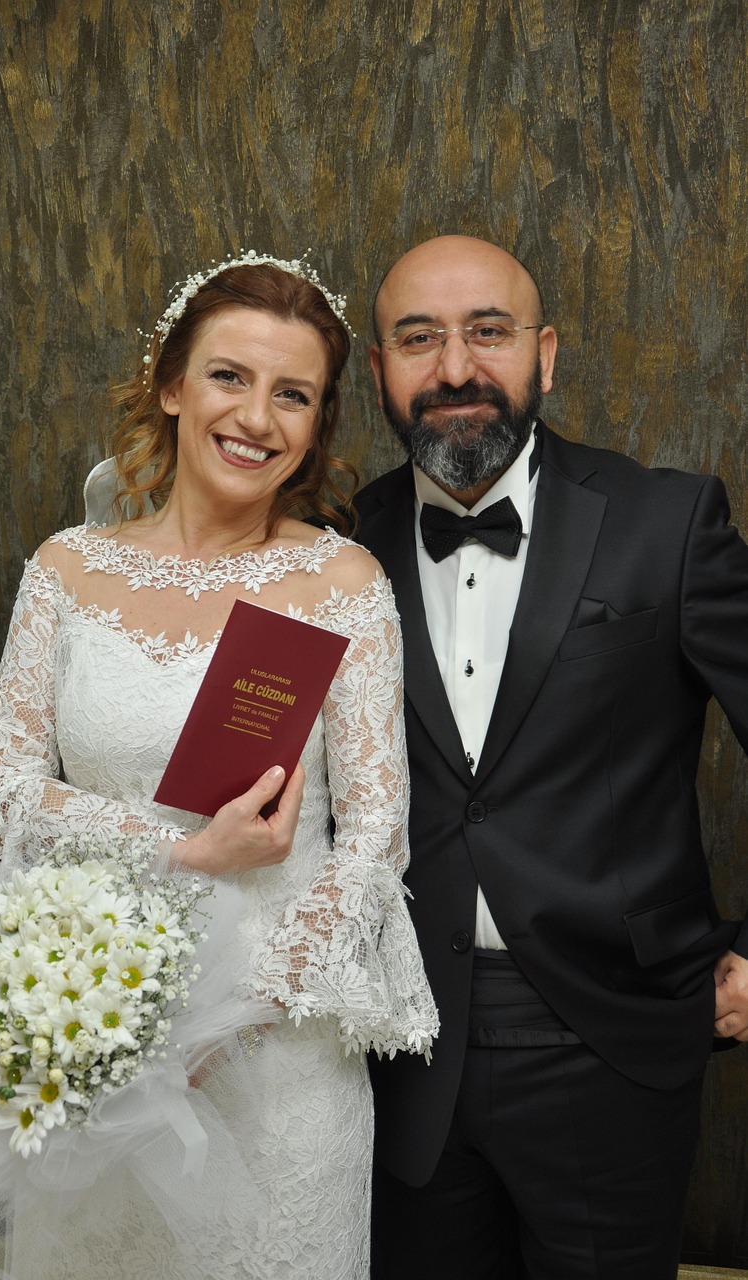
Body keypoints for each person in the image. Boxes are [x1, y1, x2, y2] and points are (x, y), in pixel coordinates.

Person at [0, 252, 437, 1280]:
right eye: (229, 376)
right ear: (170, 384)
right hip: (96, 1058)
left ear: (318, 423)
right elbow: (4, 794)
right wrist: (185, 852)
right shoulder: (66, 570)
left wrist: (222, 1024)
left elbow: (375, 838)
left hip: (278, 1072)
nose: (257, 417)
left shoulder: (341, 582)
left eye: (293, 395)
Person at [354, 233, 748, 1280]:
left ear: (547, 352)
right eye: (418, 339)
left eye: (488, 331)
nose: (454, 368)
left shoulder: (668, 522)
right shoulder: (332, 546)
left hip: (614, 1041)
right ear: (379, 370)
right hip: (393, 1048)